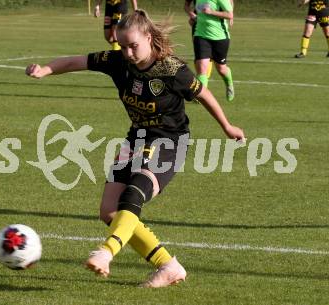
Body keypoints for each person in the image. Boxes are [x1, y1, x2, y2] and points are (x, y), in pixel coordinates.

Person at [26, 9, 244, 288]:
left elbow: (203, 93)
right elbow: (76, 61)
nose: (127, 52)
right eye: (122, 45)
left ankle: (106, 252)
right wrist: (45, 70)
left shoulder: (171, 70)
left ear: (149, 37)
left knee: (135, 192)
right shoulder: (118, 61)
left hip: (169, 141)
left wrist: (227, 126)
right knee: (109, 212)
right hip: (136, 138)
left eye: (133, 45)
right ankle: (168, 266)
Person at [190, 0, 235, 102]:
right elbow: (197, 11)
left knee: (221, 69)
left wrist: (211, 12)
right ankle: (201, 96)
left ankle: (229, 84)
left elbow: (229, 14)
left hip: (220, 37)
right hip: (201, 35)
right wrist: (194, 19)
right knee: (202, 67)